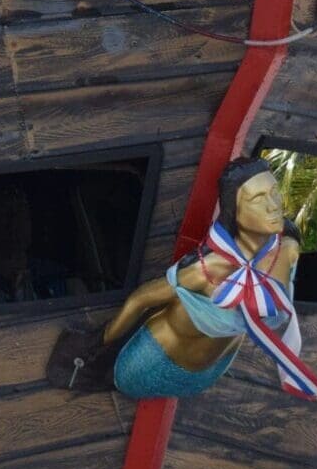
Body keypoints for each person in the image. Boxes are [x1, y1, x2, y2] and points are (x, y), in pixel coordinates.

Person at [99, 157, 305, 399]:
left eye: (274, 192)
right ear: (235, 212)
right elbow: (139, 300)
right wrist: (101, 345)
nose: (273, 206)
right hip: (150, 366)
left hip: (209, 374)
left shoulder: (287, 250)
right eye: (258, 199)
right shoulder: (206, 271)